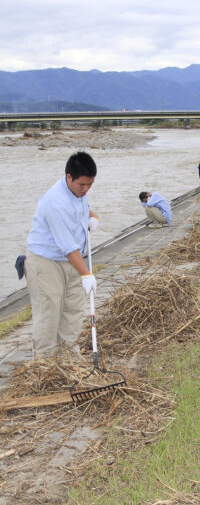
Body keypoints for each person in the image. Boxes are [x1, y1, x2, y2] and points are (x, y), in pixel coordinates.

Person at [25, 151, 99, 359]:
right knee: (49, 311)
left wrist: (92, 217)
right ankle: (46, 364)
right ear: (69, 177)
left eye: (90, 185)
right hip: (45, 261)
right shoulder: (54, 203)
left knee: (73, 309)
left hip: (70, 260)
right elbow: (67, 247)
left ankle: (69, 359)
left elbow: (84, 207)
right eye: (82, 185)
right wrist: (86, 274)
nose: (86, 190)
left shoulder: (78, 193)